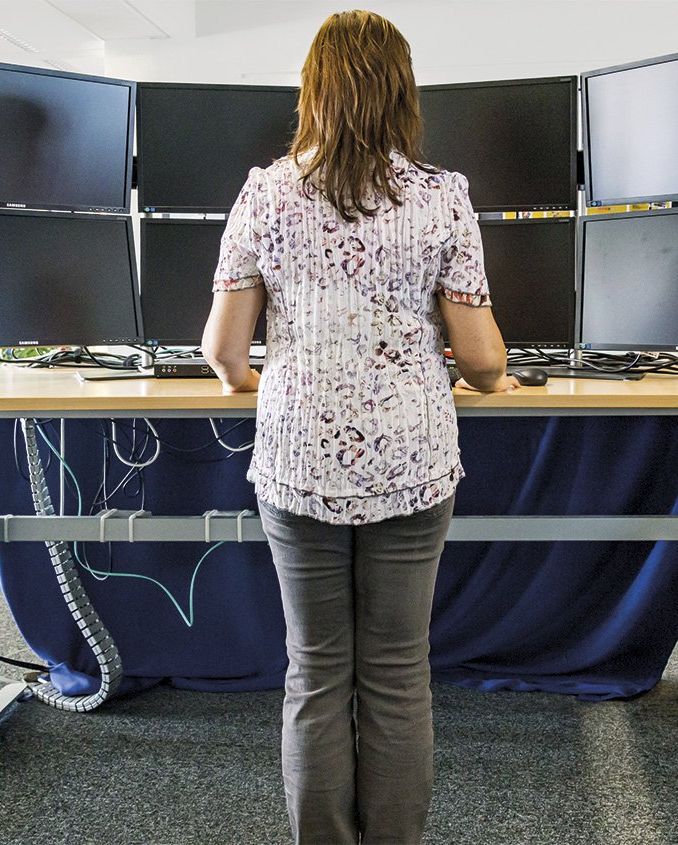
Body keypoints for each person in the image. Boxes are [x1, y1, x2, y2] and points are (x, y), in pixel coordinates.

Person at [201, 9, 518, 843]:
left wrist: (258, 379)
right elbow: (481, 359)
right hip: (411, 464)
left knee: (314, 676)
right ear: (402, 96)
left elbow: (223, 352)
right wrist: (492, 370)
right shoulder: (443, 197)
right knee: (397, 678)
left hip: (299, 462)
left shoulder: (265, 192)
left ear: (313, 93)